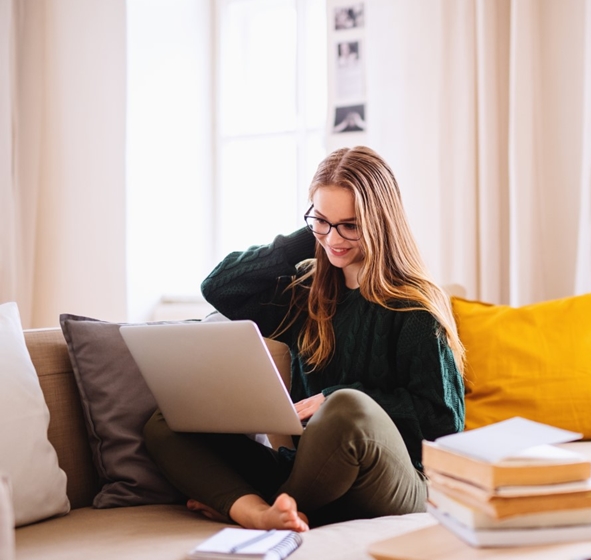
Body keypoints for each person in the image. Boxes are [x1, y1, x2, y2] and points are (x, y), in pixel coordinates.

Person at [144, 146, 465, 532]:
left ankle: (273, 506)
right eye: (321, 221)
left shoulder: (415, 308)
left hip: (397, 480)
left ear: (380, 222)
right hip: (310, 472)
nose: (335, 239)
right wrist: (309, 235)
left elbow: (445, 424)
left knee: (347, 407)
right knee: (168, 422)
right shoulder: (306, 294)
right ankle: (263, 512)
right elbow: (220, 287)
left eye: (350, 225)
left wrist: (335, 398)